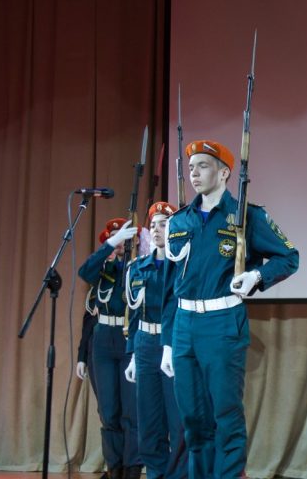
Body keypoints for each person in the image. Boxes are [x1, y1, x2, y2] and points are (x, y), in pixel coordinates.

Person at [160, 139, 299, 479]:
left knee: (225, 415)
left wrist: (256, 275)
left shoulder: (246, 216)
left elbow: (289, 257)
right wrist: (167, 340)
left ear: (224, 173)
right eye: (191, 167)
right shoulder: (179, 222)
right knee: (193, 419)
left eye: (203, 165)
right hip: (184, 325)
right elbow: (169, 285)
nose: (194, 172)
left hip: (223, 322)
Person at [123, 201, 187, 479]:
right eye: (153, 225)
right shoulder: (138, 267)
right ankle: (156, 474)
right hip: (145, 345)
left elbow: (177, 308)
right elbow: (135, 312)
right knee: (148, 422)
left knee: (177, 421)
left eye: (164, 223)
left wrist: (169, 347)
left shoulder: (181, 266)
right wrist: (134, 355)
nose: (158, 229)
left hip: (171, 343)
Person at [78, 218, 142, 479]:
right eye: (115, 239)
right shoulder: (100, 270)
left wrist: (132, 249)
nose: (119, 245)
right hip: (102, 340)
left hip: (129, 339)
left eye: (124, 239)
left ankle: (131, 470)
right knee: (108, 411)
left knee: (131, 412)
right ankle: (114, 468)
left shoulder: (137, 267)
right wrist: (82, 355)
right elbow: (84, 274)